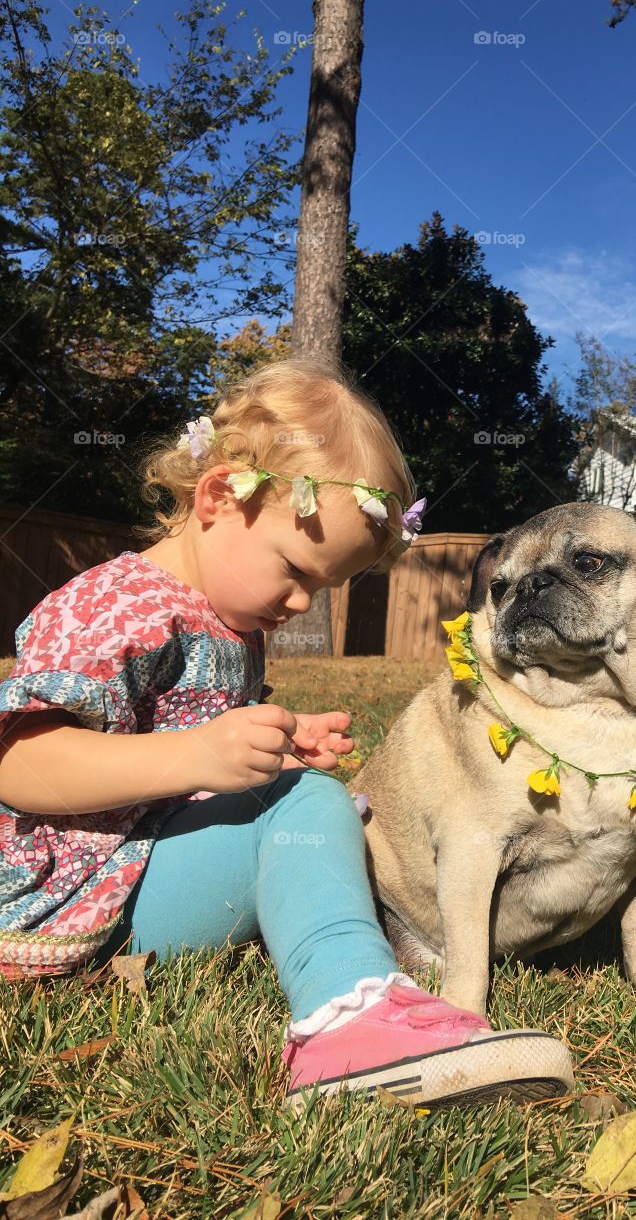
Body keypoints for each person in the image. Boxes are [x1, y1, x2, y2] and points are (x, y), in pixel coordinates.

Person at [0, 357, 574, 1109]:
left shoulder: (226, 618)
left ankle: (359, 981)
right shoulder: (114, 605)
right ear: (217, 498)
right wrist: (197, 754)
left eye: (323, 588)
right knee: (306, 808)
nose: (302, 603)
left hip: (136, 874)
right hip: (72, 896)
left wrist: (272, 738)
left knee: (309, 801)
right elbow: (20, 762)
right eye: (296, 571)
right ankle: (347, 1020)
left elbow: (192, 732)